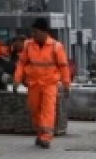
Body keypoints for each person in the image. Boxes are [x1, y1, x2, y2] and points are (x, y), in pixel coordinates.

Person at [14, 17, 71, 148]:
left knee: (48, 110)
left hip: (49, 84)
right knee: (34, 110)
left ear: (44, 32)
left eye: (36, 32)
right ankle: (40, 134)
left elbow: (63, 67)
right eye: (33, 32)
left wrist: (66, 84)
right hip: (34, 84)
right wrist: (17, 79)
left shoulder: (56, 47)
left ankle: (46, 137)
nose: (33, 35)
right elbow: (21, 63)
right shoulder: (28, 45)